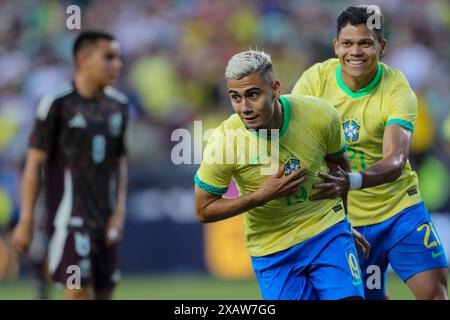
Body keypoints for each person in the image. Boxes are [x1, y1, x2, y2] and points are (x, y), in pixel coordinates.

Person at [291, 5, 448, 300]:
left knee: (434, 293)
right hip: (348, 219)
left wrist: (350, 181)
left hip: (400, 210)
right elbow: (292, 138)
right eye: (348, 43)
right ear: (336, 46)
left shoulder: (397, 89)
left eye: (365, 43)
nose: (356, 52)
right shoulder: (315, 81)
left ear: (382, 46)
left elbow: (396, 159)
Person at [194, 50, 369, 300]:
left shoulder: (319, 115)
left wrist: (344, 222)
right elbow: (202, 209)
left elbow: (340, 169)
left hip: (326, 232)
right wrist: (260, 196)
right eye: (236, 97)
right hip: (272, 248)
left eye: (253, 95)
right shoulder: (224, 141)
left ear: (275, 89)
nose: (245, 108)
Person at [12, 31, 129, 300]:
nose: (117, 64)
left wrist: (119, 212)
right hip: (69, 221)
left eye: (118, 57)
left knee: (104, 294)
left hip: (105, 221)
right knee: (77, 293)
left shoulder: (118, 107)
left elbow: (119, 163)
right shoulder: (57, 104)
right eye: (109, 57)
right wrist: (27, 218)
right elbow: (34, 163)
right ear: (83, 58)